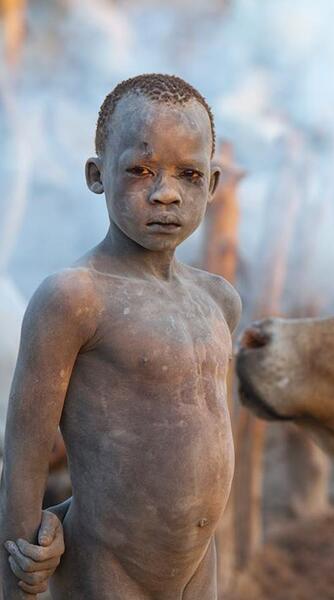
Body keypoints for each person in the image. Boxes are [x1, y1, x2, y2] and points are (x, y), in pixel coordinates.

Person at [0, 73, 241, 599]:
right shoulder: (75, 298)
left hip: (199, 564)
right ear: (97, 175)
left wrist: (66, 511)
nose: (165, 193)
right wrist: (23, 563)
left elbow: (174, 452)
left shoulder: (219, 301)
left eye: (189, 174)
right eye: (140, 170)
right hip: (109, 569)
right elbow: (26, 449)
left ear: (213, 184)